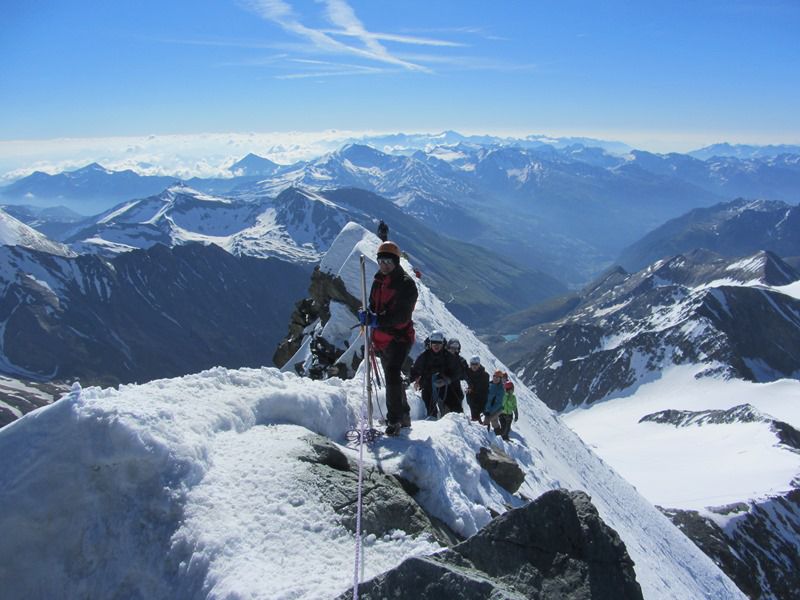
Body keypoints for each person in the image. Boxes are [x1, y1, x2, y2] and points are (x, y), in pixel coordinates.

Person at [358, 240, 418, 436]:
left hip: (400, 338)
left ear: (396, 263)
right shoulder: (378, 281)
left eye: (388, 262)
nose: (384, 265)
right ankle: (405, 415)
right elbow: (373, 304)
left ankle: (395, 421)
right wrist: (367, 315)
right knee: (392, 376)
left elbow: (402, 316)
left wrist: (377, 320)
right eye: (381, 261)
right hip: (382, 338)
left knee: (391, 373)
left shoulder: (406, 285)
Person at [410, 330, 459, 419]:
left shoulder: (448, 356)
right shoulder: (424, 356)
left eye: (439, 343)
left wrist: (447, 380)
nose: (436, 345)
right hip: (427, 386)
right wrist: (408, 380)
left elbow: (457, 372)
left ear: (442, 344)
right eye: (434, 343)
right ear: (430, 343)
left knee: (453, 409)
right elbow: (415, 371)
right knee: (429, 409)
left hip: (445, 387)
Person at [464, 356, 489, 422]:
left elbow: (485, 389)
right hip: (471, 396)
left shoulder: (485, 375)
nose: (474, 366)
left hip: (482, 396)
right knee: (474, 410)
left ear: (479, 364)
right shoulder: (467, 372)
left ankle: (480, 424)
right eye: (472, 364)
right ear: (470, 364)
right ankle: (476, 421)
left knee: (480, 412)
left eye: (476, 364)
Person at [446, 338, 468, 413]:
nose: (454, 350)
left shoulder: (461, 361)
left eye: (456, 348)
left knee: (457, 411)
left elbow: (465, 375)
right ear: (448, 348)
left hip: (455, 390)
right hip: (442, 389)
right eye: (452, 348)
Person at [483, 370, 505, 434]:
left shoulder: (501, 389)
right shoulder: (489, 384)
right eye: (494, 377)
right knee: (494, 421)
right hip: (489, 408)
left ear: (500, 379)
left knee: (487, 420)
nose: (495, 379)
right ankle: (499, 434)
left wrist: (489, 411)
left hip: (498, 409)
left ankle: (486, 436)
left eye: (497, 377)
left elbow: (498, 403)